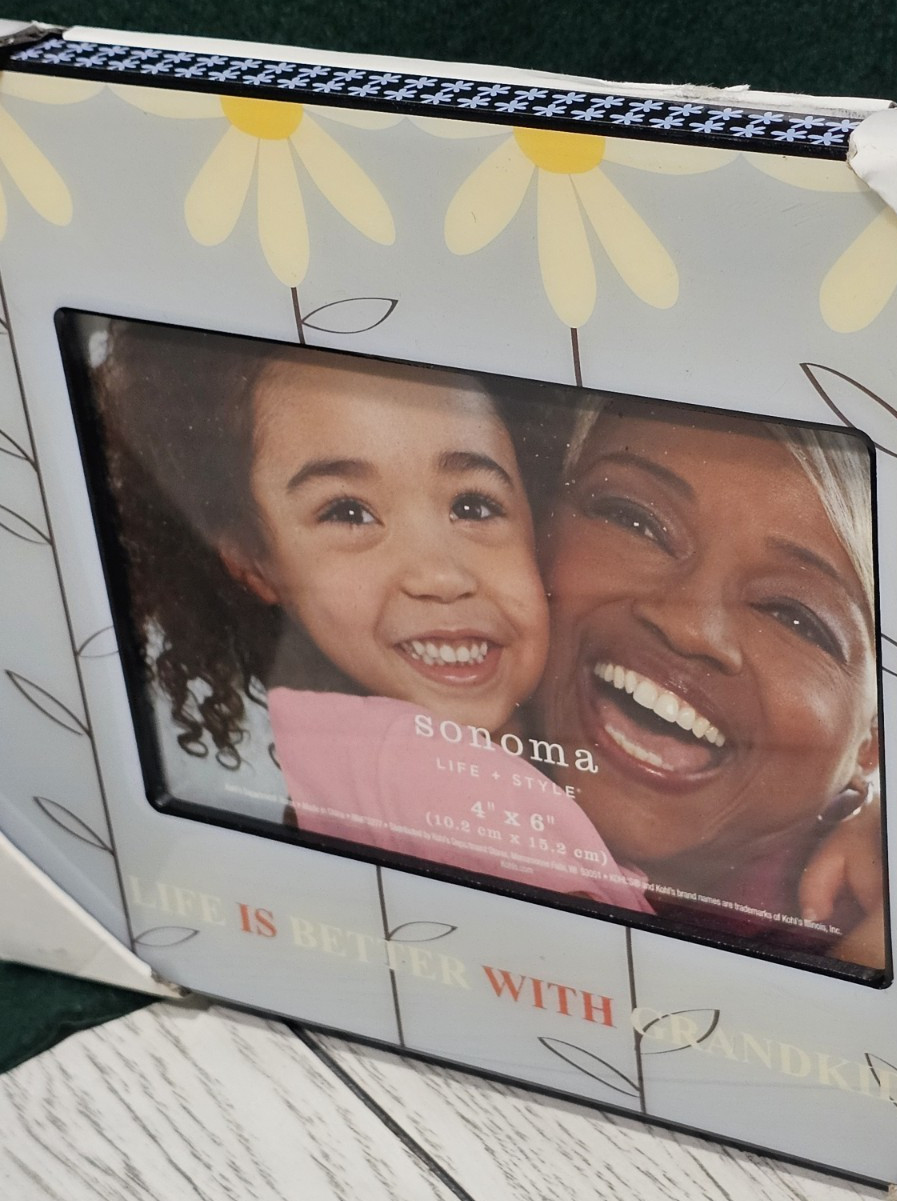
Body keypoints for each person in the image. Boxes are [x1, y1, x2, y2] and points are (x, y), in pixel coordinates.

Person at [95, 320, 650, 910]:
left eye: (472, 505)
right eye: (349, 513)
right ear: (255, 560)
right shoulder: (435, 772)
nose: (440, 576)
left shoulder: (327, 750)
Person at [533, 397, 885, 968]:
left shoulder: (881, 931)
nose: (690, 628)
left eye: (793, 617)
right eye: (636, 522)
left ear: (876, 742)